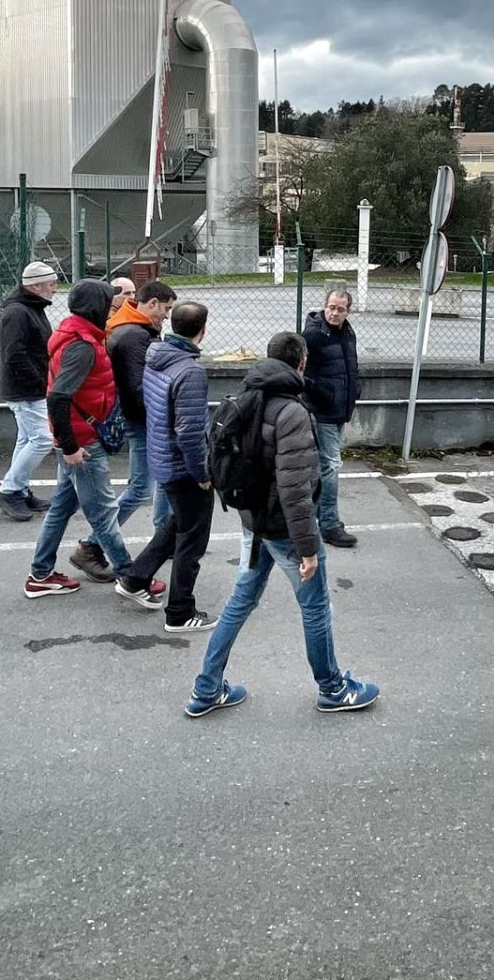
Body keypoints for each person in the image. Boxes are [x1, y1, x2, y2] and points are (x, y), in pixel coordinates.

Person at [185, 332, 381, 718]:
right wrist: (308, 549)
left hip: (253, 523)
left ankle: (206, 688)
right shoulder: (292, 412)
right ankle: (333, 688)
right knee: (316, 607)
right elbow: (296, 489)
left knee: (241, 601)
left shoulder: (244, 398)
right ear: (302, 363)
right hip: (283, 529)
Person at [22, 280, 134, 598]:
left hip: (76, 438)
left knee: (61, 506)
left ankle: (40, 574)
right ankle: (132, 578)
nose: (113, 306)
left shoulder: (75, 335)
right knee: (102, 512)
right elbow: (58, 398)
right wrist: (70, 447)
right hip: (82, 443)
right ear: (95, 307)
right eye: (108, 302)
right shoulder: (82, 345)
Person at [114, 301, 217, 631]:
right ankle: (180, 612)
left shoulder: (156, 356)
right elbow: (188, 432)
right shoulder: (190, 371)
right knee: (192, 539)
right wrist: (202, 473)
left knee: (177, 524)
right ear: (203, 330)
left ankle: (134, 578)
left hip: (162, 457)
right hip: (184, 467)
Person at [108, 279, 177, 535]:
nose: (167, 316)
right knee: (140, 487)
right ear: (152, 303)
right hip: (141, 420)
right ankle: (97, 540)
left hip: (140, 418)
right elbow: (136, 388)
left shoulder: (130, 328)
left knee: (161, 477)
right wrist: (161, 416)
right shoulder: (135, 336)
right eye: (166, 309)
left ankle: (164, 533)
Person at [0, 260, 59, 521]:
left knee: (27, 439)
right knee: (42, 439)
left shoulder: (28, 308)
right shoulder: (19, 312)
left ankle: (18, 489)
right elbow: (14, 354)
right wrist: (40, 382)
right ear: (37, 286)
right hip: (27, 389)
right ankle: (9, 490)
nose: (55, 289)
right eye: (52, 284)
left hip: (28, 388)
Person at [302, 287, 362, 549]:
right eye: (331, 307)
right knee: (330, 467)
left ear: (348, 311)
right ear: (324, 306)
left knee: (322, 468)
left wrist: (354, 391)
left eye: (340, 309)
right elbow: (301, 373)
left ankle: (312, 521)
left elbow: (350, 367)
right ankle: (329, 524)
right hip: (322, 411)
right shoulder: (314, 335)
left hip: (339, 410)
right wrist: (325, 394)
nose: (335, 313)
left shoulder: (347, 332)